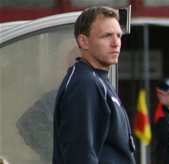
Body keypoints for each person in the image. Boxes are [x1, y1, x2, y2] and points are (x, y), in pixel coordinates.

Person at [52, 6, 135, 163]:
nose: (116, 43)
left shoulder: (96, 80)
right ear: (83, 41)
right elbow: (80, 155)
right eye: (106, 36)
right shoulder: (84, 85)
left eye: (119, 36)